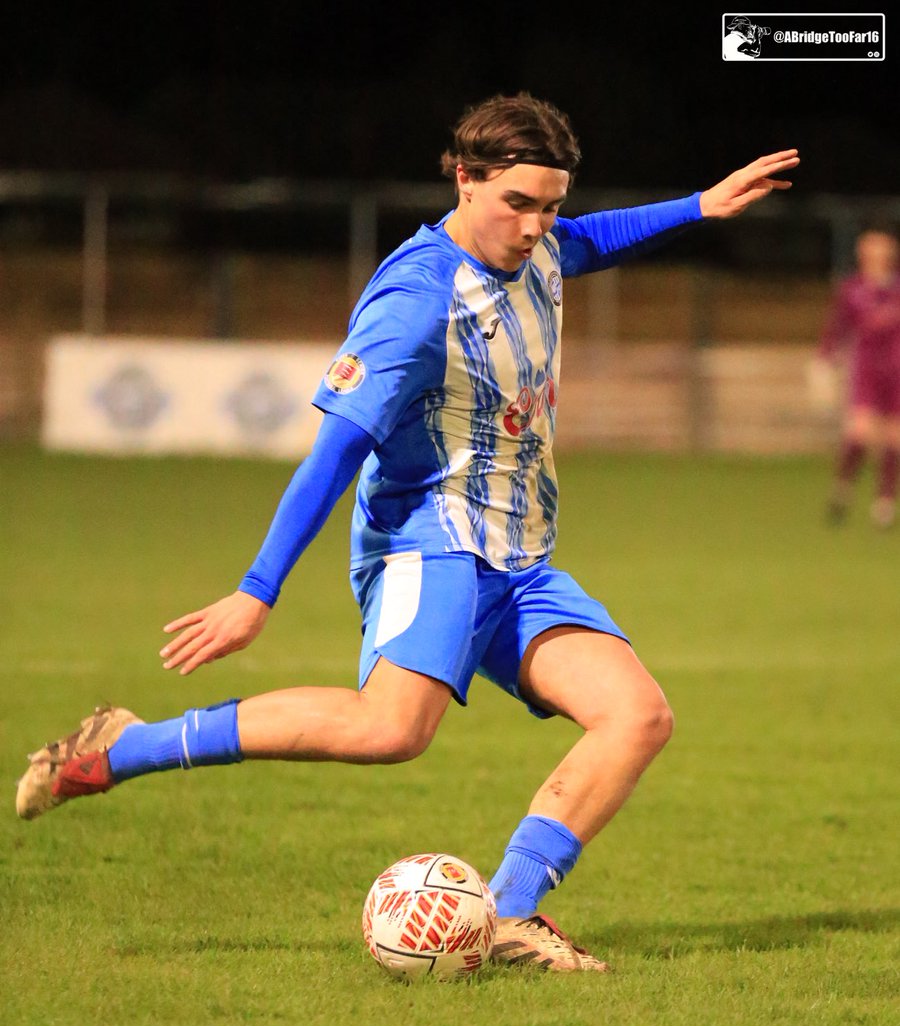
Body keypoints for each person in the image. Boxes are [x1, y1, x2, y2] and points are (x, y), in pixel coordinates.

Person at [16, 95, 799, 972]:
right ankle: (128, 746)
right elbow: (334, 454)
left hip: (519, 554)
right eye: (519, 203)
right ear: (464, 180)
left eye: (551, 204)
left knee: (636, 715)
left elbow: (593, 239)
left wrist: (700, 205)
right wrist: (256, 591)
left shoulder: (540, 251)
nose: (538, 225)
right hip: (430, 544)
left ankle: (507, 914)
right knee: (392, 730)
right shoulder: (417, 305)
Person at [818, 225, 900, 529]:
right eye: (870, 248)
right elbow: (837, 328)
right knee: (860, 433)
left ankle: (885, 504)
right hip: (866, 370)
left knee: (894, 437)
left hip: (897, 371)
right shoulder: (852, 289)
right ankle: (843, 488)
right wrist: (824, 360)